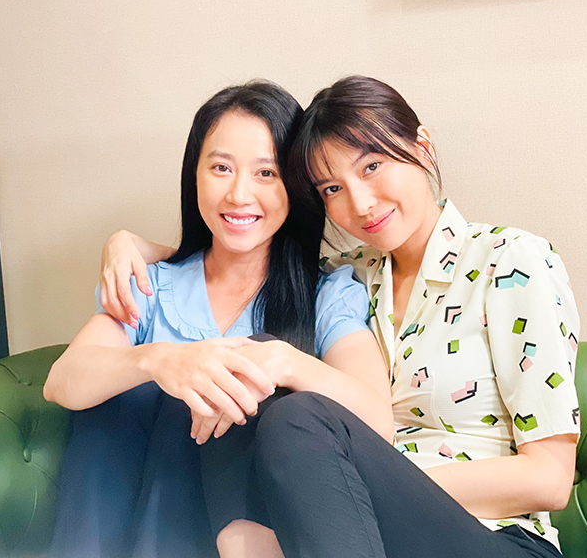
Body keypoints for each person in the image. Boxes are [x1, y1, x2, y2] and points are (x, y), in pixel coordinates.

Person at [102, 75, 581, 558]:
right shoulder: (352, 275)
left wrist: (354, 482)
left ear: (422, 146)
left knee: (293, 407)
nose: (360, 203)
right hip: (363, 537)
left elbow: (550, 479)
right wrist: (129, 246)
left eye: (372, 166)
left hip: (496, 540)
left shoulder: (511, 262)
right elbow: (237, 256)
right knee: (243, 368)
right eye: (332, 188)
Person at [44, 81, 392, 558]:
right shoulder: (152, 285)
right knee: (122, 401)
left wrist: (285, 364)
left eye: (266, 173)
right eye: (221, 168)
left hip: (249, 538)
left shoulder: (325, 295)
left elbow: (378, 423)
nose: (239, 194)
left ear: (294, 186)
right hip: (123, 523)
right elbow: (62, 381)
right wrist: (159, 361)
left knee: (204, 400)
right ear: (195, 175)